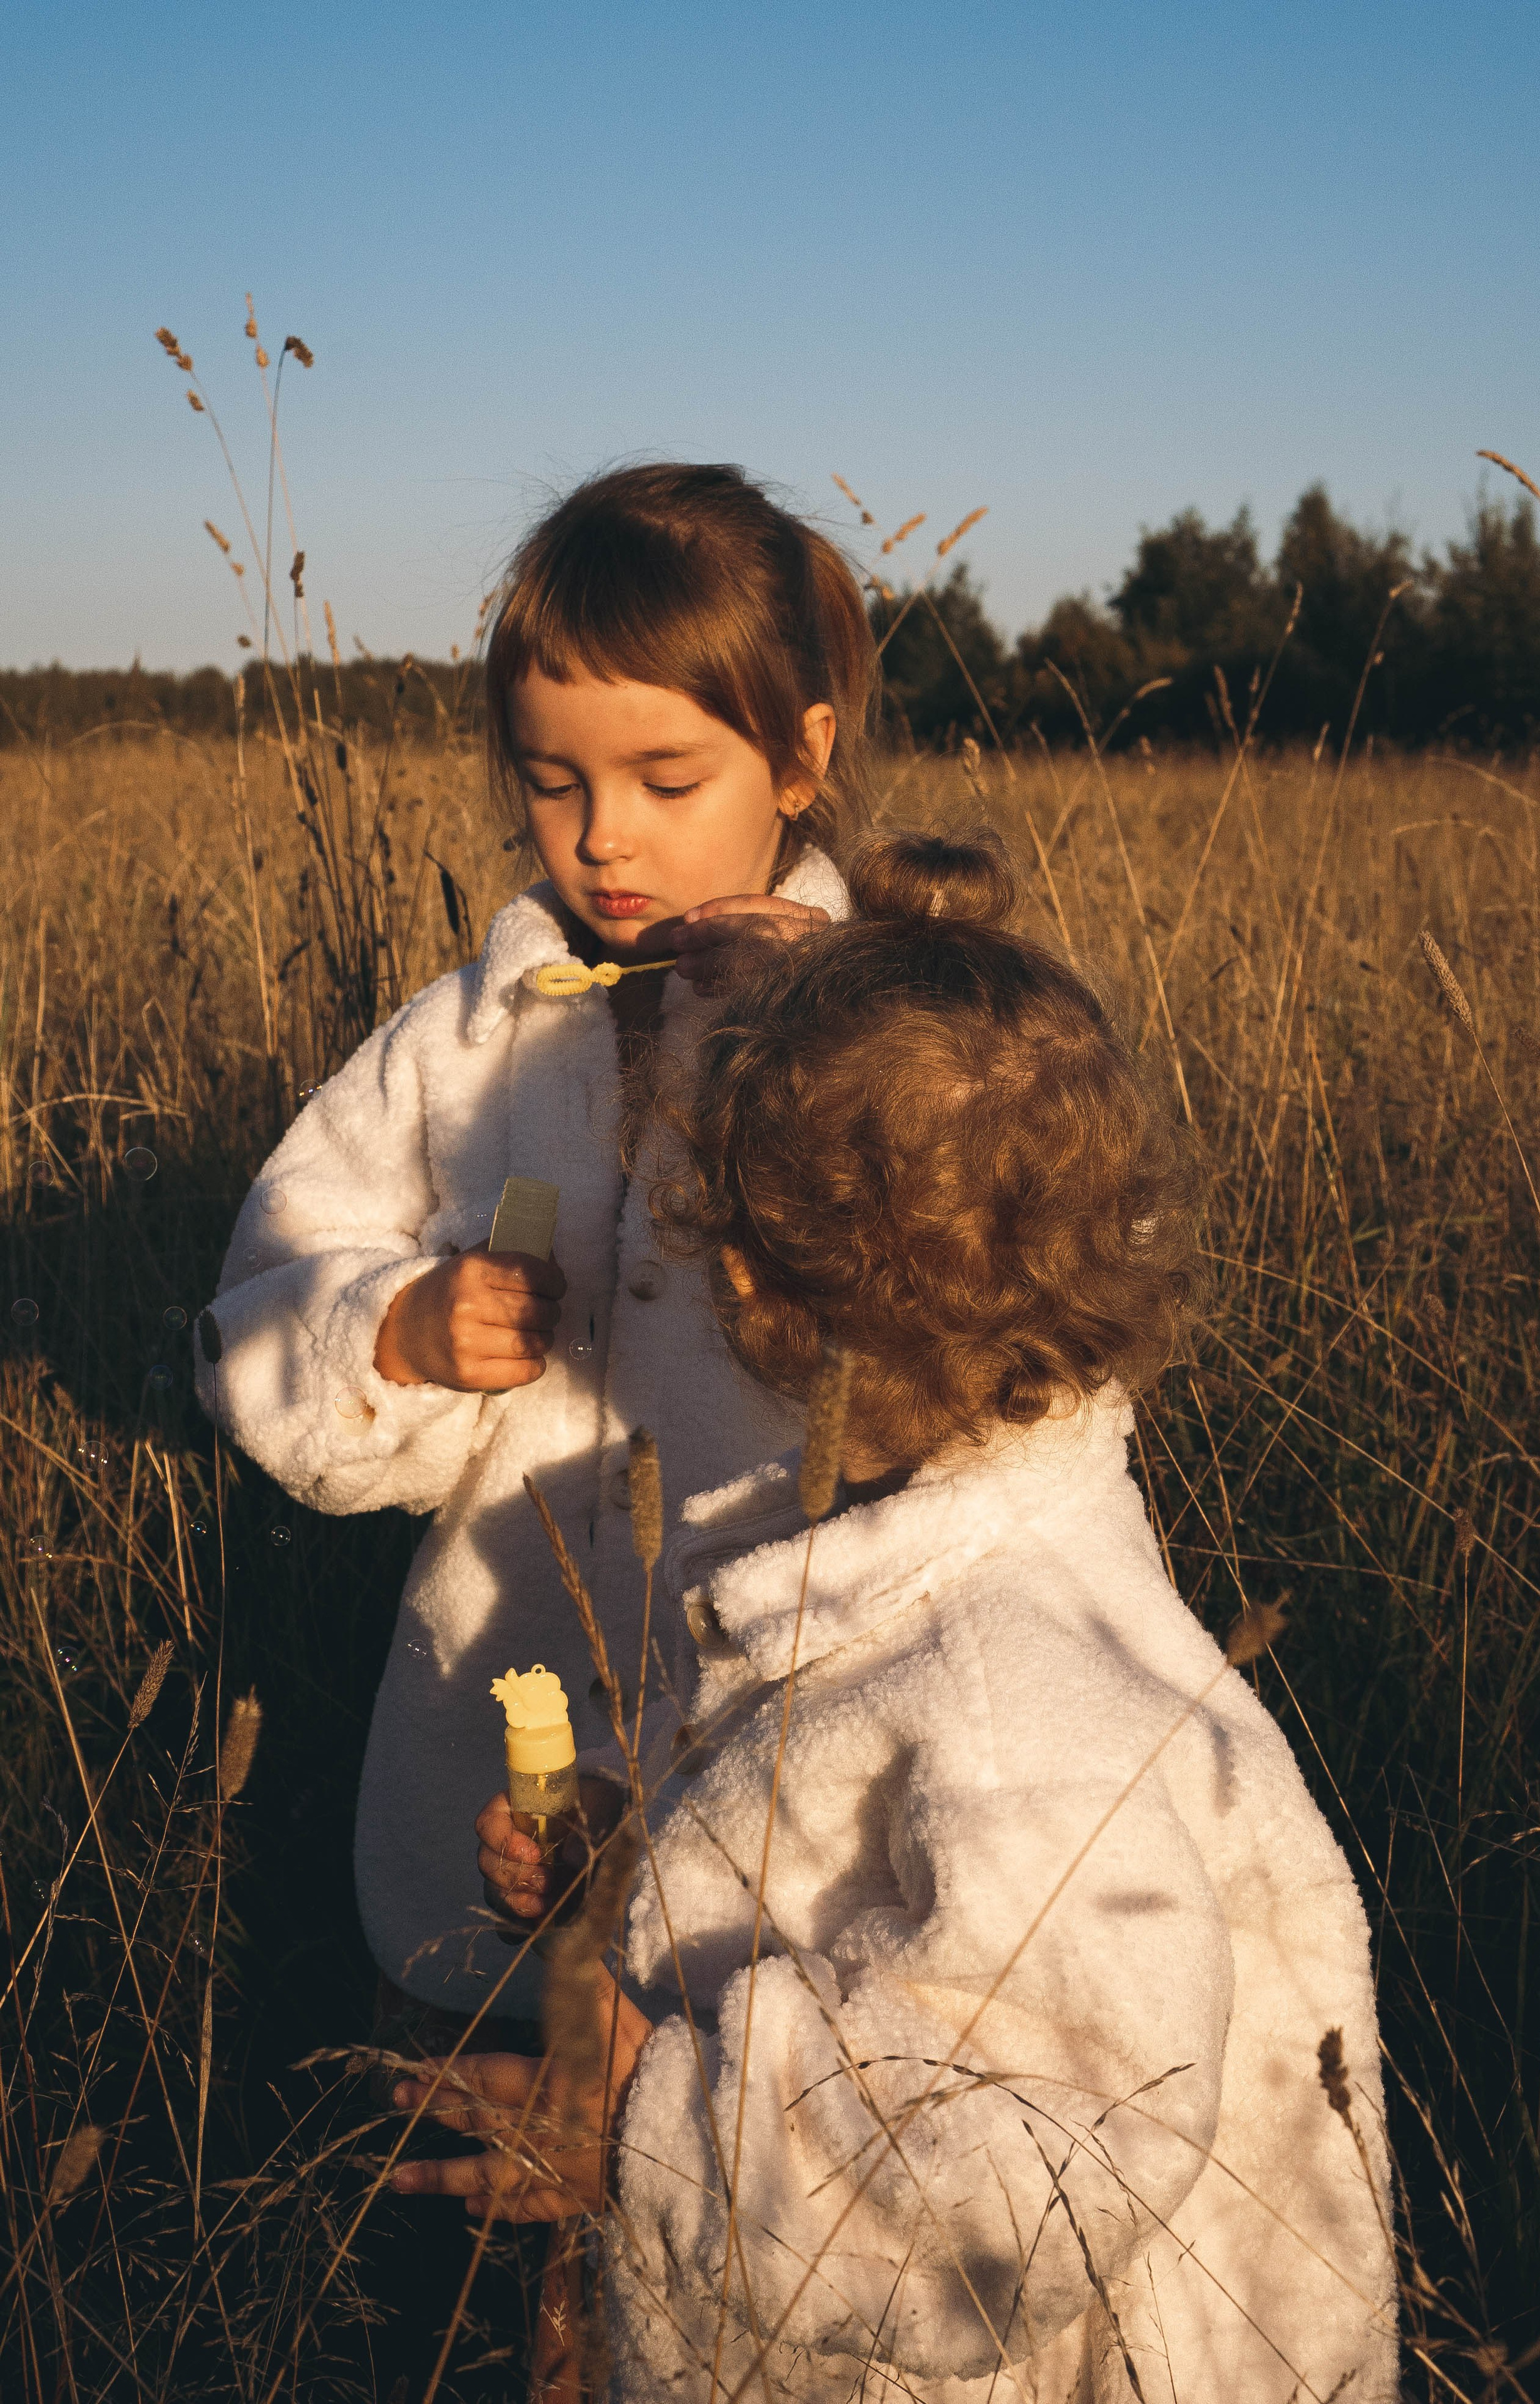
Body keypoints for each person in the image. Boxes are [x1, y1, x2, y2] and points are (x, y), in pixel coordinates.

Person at [395, 833, 1399, 2402]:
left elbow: (1025, 2191)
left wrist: (648, 2120)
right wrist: (634, 1862)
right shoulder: (924, 1568)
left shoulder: (1020, 1689)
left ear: (749, 1286)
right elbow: (835, 1855)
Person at [198, 463, 878, 2032]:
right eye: (552, 781)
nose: (603, 839)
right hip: (489, 1720)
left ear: (796, 758)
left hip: (780, 1718)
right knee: (467, 2123)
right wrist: (394, 1331)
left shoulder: (892, 1027)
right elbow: (266, 1283)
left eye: (663, 778)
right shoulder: (455, 1042)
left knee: (733, 2123)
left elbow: (1003, 1308)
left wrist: (835, 1038)